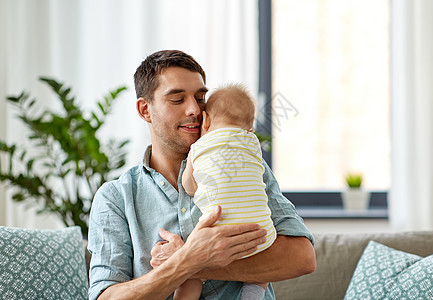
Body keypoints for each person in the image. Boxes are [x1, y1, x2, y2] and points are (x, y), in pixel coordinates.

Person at [88, 50, 316, 300]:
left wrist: (197, 264)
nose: (194, 110)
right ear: (145, 110)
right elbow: (106, 297)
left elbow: (302, 258)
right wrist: (188, 260)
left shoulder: (243, 162)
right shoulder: (115, 198)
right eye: (177, 99)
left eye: (200, 97)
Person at [176, 84, 275, 300]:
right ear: (250, 128)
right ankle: (252, 294)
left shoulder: (199, 147)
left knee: (191, 273)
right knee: (261, 271)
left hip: (217, 232)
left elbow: (189, 186)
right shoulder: (252, 143)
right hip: (260, 233)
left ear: (207, 121)